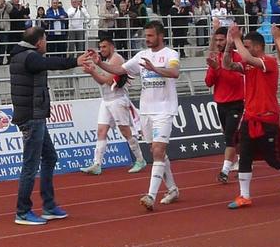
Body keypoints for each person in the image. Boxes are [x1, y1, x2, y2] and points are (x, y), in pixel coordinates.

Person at [95, 20, 181, 211]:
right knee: (156, 151)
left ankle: (150, 195)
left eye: (150, 35)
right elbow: (120, 69)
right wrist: (99, 63)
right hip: (146, 110)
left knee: (158, 150)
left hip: (164, 110)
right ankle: (173, 189)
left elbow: (174, 72)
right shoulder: (142, 55)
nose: (147, 39)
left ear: (160, 36)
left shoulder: (171, 54)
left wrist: (155, 69)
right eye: (145, 36)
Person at [220, 25, 280, 209]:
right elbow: (227, 65)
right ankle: (244, 195)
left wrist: (236, 39)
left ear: (258, 47)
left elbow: (247, 58)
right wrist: (228, 45)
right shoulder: (248, 65)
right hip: (249, 116)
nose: (244, 48)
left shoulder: (269, 61)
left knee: (272, 158)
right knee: (244, 155)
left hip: (267, 117)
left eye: (248, 45)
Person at [10, 26, 85, 225]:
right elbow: (51, 63)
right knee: (30, 165)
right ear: (39, 42)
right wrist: (75, 61)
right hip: (32, 118)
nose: (47, 44)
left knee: (50, 157)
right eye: (45, 40)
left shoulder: (23, 55)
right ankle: (23, 211)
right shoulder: (30, 57)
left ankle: (49, 205)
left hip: (36, 116)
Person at [78, 36, 146, 176]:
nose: (102, 50)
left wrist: (93, 71)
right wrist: (92, 71)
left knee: (125, 131)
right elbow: (101, 81)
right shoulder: (106, 61)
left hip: (117, 99)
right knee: (101, 131)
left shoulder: (117, 59)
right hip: (106, 99)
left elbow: (109, 82)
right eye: (100, 47)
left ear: (112, 46)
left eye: (104, 47)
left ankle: (140, 159)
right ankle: (97, 164)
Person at [206, 26, 245, 185]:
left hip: (236, 102)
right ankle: (243, 160)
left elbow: (235, 80)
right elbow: (209, 82)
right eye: (216, 40)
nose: (218, 43)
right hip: (221, 103)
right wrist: (214, 68)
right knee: (234, 136)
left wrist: (218, 68)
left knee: (230, 136)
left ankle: (224, 171)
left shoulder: (238, 57)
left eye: (221, 40)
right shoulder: (215, 58)